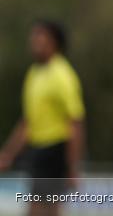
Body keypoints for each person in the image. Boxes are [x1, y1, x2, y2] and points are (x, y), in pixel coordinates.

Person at [0, 21, 85, 216]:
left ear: (54, 42)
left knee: (39, 210)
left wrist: (73, 168)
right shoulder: (34, 74)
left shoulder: (62, 75)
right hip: (37, 151)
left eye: (40, 36)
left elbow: (76, 123)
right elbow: (28, 122)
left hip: (55, 150)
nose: (33, 41)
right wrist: (8, 154)